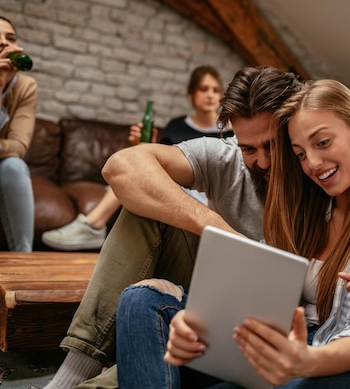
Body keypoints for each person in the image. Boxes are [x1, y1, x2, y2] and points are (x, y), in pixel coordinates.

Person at [24, 67, 350, 389]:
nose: (260, 162)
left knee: (164, 386)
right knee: (142, 279)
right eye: (247, 147)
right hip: (236, 299)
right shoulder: (233, 160)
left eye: (275, 147)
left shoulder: (330, 182)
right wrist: (217, 231)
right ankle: (74, 373)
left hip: (301, 336)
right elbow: (122, 168)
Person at [115, 78, 350, 389]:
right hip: (299, 345)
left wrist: (302, 362)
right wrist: (195, 320)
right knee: (143, 301)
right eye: (299, 153)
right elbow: (260, 288)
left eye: (323, 142)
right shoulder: (310, 207)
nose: (312, 163)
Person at [41, 65, 232, 251]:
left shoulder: (229, 132)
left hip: (201, 191)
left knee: (137, 176)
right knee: (132, 172)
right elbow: (161, 161)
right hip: (170, 182)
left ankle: (92, 225)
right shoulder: (176, 126)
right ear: (191, 93)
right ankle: (92, 225)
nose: (210, 95)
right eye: (203, 89)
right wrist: (144, 147)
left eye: (215, 90)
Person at [0, 16, 37, 252]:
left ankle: (23, 259)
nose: (4, 43)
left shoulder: (25, 86)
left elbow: (19, 147)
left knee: (13, 165)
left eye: (10, 38)